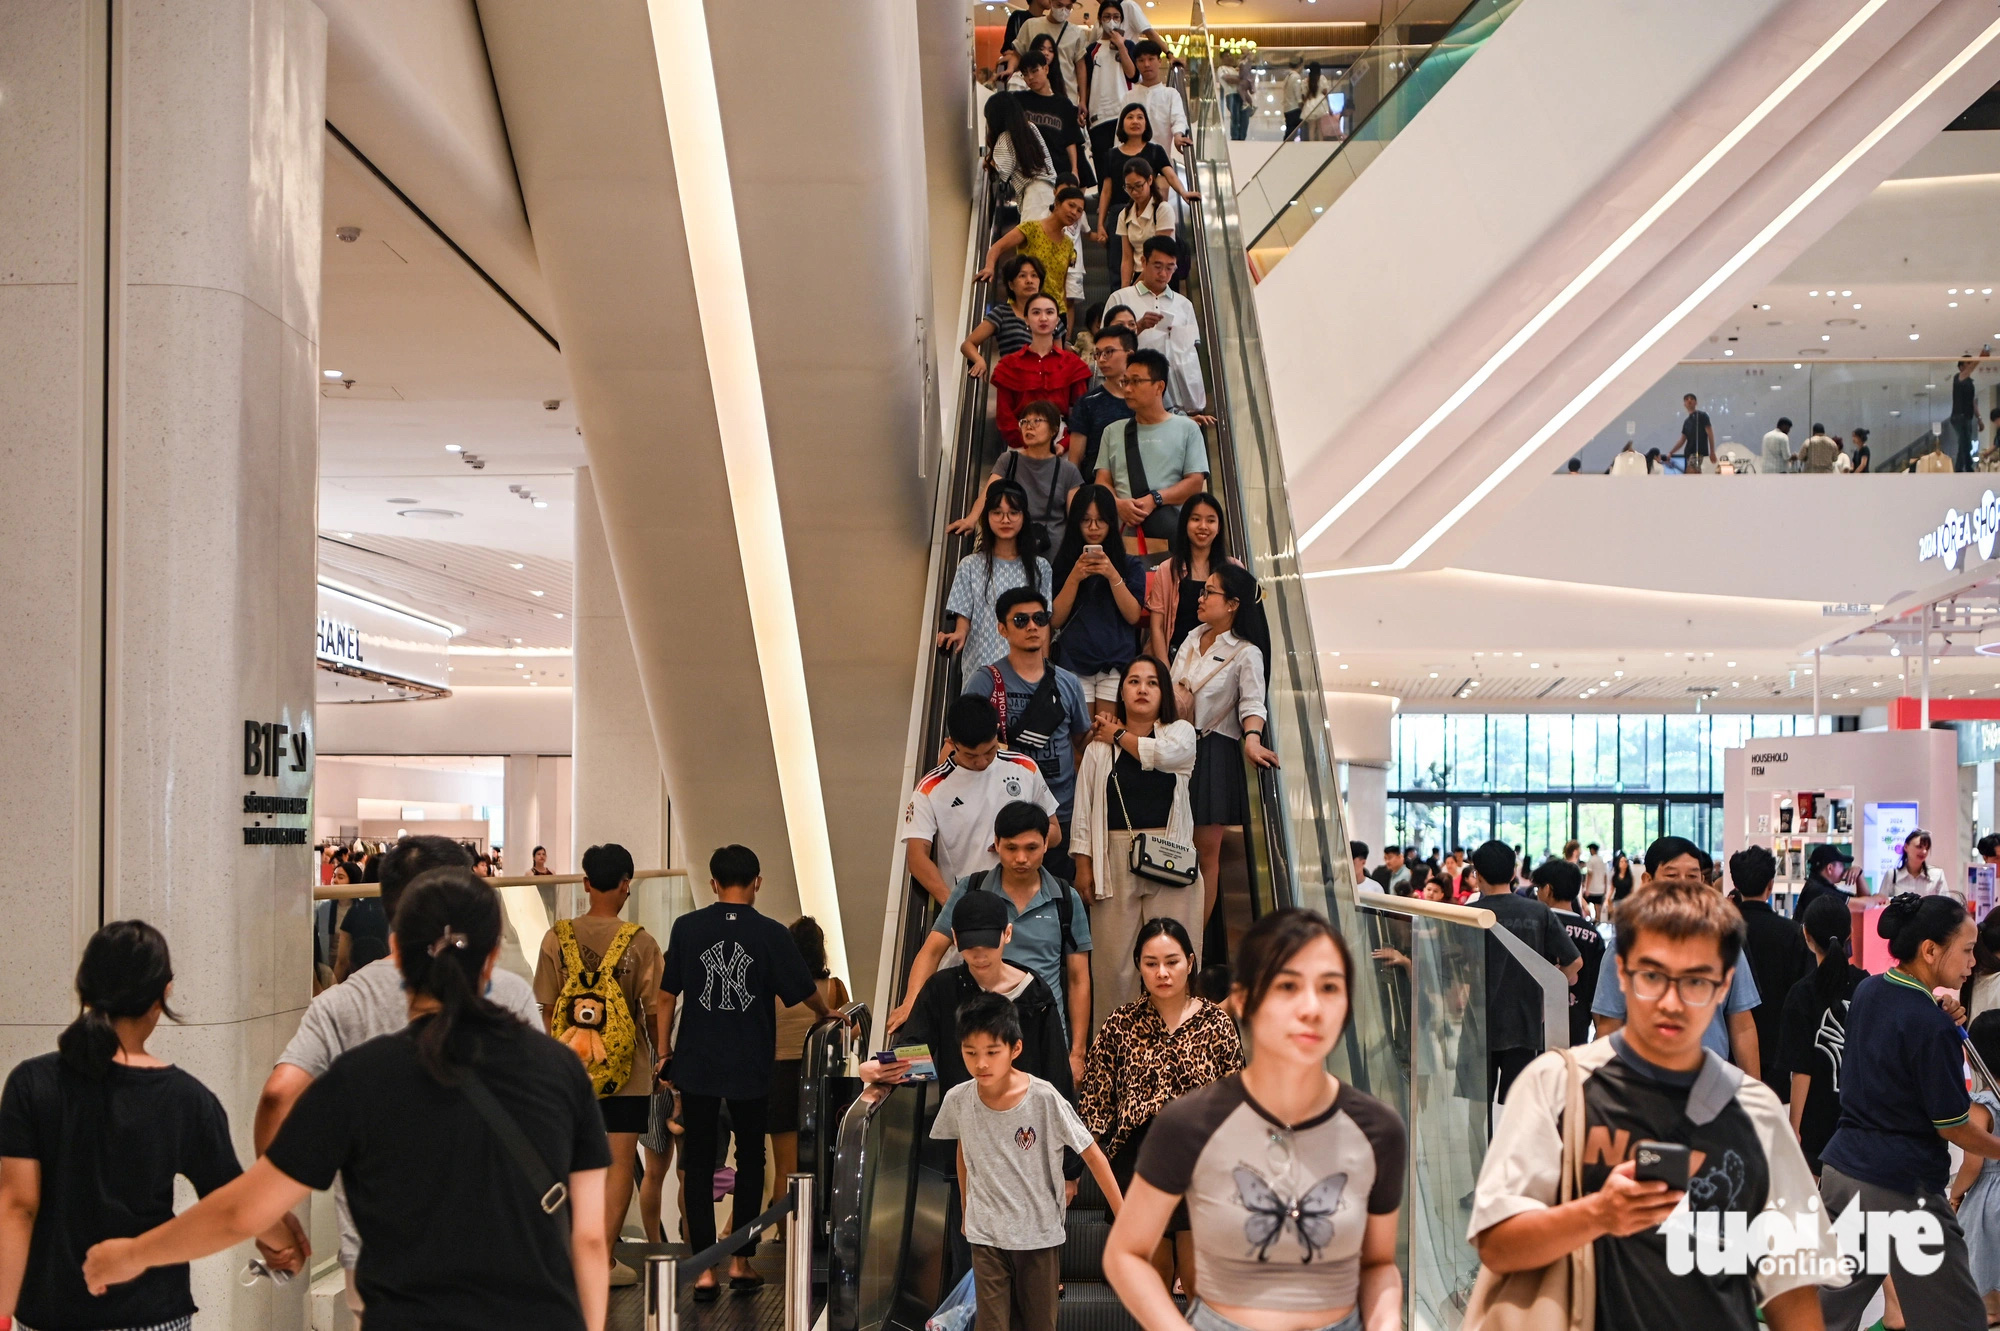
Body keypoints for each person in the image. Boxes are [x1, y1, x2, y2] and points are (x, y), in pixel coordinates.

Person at [87, 869, 614, 1331]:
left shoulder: (361, 1078)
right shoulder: (560, 1069)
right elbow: (588, 1238)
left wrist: (132, 1254)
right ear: (494, 956)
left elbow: (243, 1210)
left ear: (397, 953)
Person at [1469, 879, 1832, 1331]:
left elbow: (1792, 1294)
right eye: (1653, 976)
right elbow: (1497, 1244)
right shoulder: (1558, 1085)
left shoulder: (1755, 1110)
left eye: (1696, 981)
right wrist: (1598, 1213)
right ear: (1622, 974)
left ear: (1724, 987)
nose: (1671, 1002)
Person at [255, 834, 543, 1318]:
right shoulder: (506, 992)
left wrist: (272, 1214)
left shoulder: (341, 1002)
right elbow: (538, 1109)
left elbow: (279, 1096)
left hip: (377, 1255)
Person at [1104, 908, 1406, 1331]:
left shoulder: (1379, 1128)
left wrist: (1386, 1320)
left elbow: (1378, 1265)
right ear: (1245, 1001)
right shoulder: (1189, 1124)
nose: (1311, 1008)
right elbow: (1125, 1253)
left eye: (1330, 987)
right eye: (1287, 986)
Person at [0, 922, 306, 1331]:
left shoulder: (30, 1083)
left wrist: (2, 1309)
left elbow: (17, 1207)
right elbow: (233, 1201)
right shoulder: (186, 1099)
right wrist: (283, 1243)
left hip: (52, 1314)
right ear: (162, 995)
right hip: (153, 1315)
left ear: (84, 989)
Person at [1818, 893, 2000, 1330]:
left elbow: (1897, 1048)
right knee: (1956, 1318)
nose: (1973, 963)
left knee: (1826, 1313)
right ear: (1931, 950)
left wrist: (1939, 1013)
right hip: (1900, 1187)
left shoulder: (1870, 989)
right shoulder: (1930, 1023)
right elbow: (1954, 1125)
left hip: (1844, 1172)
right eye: (1968, 950)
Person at [658, 844, 831, 1300]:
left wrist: (662, 1053)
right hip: (752, 1063)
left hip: (696, 1062)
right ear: (757, 882)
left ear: (714, 882)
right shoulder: (772, 933)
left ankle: (703, 1271)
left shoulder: (687, 927)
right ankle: (740, 1263)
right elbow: (803, 992)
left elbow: (665, 997)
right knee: (751, 1159)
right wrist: (827, 1012)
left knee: (697, 1163)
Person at [933, 992, 1122, 1331]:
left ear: (1015, 1049)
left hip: (1038, 1234)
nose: (981, 1064)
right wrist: (965, 1208)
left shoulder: (1044, 1097)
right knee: (991, 1325)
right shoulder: (959, 1099)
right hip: (986, 1233)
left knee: (1038, 1323)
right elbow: (964, 1152)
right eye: (970, 1053)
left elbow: (1092, 1154)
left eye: (992, 1052)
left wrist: (1123, 1217)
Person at [1078, 918, 1242, 1299]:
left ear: (1190, 961)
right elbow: (1096, 1100)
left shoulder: (1216, 1022)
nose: (1162, 972)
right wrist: (1077, 1167)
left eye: (1172, 961)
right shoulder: (1120, 1023)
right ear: (1138, 965)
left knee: (1203, 1280)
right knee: (1153, 1282)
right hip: (1140, 1158)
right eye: (1151, 963)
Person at [533, 841, 664, 1289]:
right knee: (620, 1163)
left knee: (571, 1162)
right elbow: (652, 1010)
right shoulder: (640, 943)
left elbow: (548, 1009)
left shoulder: (556, 937)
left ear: (586, 883)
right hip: (628, 1074)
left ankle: (569, 1255)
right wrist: (660, 1056)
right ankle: (602, 1261)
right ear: (626, 884)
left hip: (569, 1074)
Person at [893, 801, 1094, 1083]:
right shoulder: (971, 890)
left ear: (1047, 844)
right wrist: (911, 1003)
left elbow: (1078, 979)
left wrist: (1077, 1053)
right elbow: (931, 951)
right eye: (1011, 848)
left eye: (1031, 848)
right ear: (996, 844)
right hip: (979, 1036)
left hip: (1041, 1034)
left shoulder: (1066, 898)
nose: (1021, 858)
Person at [1071, 656, 1202, 1021]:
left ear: (1163, 693)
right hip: (1112, 857)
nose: (1142, 689)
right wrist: (1083, 866)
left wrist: (1115, 733)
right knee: (1114, 969)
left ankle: (1178, 1051)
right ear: (1121, 692)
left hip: (1172, 853)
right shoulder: (1098, 750)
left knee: (1174, 963)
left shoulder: (1180, 733)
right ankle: (1115, 1056)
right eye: (1133, 681)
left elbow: (1164, 755)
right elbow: (1083, 811)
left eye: (1152, 682)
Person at [869, 889, 1075, 1103]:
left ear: (1007, 933)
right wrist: (877, 1068)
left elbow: (1056, 1072)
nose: (979, 956)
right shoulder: (942, 988)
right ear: (955, 938)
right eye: (970, 945)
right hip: (964, 1122)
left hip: (1025, 1125)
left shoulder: (1035, 992)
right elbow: (916, 1053)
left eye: (988, 944)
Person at [1593, 837, 1762, 1076]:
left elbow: (1742, 1025)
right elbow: (1610, 1025)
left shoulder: (1723, 940)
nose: (1683, 886)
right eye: (1671, 876)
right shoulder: (1626, 945)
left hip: (1709, 1085)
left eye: (1692, 877)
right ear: (1648, 881)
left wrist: (1752, 1093)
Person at [962, 585, 1094, 878]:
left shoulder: (1069, 683)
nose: (1032, 626)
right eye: (1021, 620)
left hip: (1061, 815)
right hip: (1005, 817)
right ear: (1002, 628)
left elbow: (1080, 743)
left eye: (1040, 618)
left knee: (1057, 908)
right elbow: (962, 742)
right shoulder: (985, 682)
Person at [1173, 563, 1276, 929]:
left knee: (1205, 856)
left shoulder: (1247, 652)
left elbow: (1252, 703)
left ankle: (1194, 943)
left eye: (1209, 592)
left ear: (1232, 604)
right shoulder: (1191, 637)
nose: (1200, 598)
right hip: (1176, 747)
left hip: (1214, 752)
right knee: (1174, 844)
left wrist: (1252, 739)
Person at [906, 694, 1059, 906]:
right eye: (970, 755)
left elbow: (1055, 830)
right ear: (952, 743)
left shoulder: (1024, 767)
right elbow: (916, 858)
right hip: (970, 905)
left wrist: (1016, 844)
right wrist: (951, 905)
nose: (982, 761)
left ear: (996, 731)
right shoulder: (930, 788)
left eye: (990, 751)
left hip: (1027, 903)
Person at [1466, 842, 1583, 1106]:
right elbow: (1575, 962)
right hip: (1525, 1022)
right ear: (1513, 872)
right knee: (1517, 1108)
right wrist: (1549, 988)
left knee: (1475, 1109)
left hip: (1477, 1023)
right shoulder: (1537, 912)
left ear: (1477, 874)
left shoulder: (1468, 914)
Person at [1780, 894, 1869, 1176]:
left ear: (1806, 936)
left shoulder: (1801, 994)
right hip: (1860, 1118)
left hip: (1817, 1122)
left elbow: (1801, 1068)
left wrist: (1794, 1128)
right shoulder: (1866, 985)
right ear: (1849, 933)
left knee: (1816, 1212)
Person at [767, 916, 849, 1208]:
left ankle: (786, 1239)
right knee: (821, 1162)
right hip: (819, 1078)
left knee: (785, 1168)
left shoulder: (773, 988)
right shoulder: (834, 988)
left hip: (780, 1077)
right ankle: (816, 1232)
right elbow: (846, 1033)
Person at [1095, 348, 1208, 544]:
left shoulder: (1187, 428)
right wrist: (1118, 504)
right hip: (1124, 535)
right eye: (1126, 381)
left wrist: (1155, 499)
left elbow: (1195, 483)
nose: (1128, 389)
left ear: (1159, 386)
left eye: (1136, 381)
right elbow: (1102, 481)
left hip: (1172, 532)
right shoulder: (1112, 431)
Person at [940, 478, 1052, 672]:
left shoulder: (1040, 567)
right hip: (980, 669)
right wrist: (958, 635)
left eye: (1013, 513)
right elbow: (963, 618)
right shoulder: (970, 565)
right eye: (997, 513)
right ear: (987, 517)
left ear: (1024, 517)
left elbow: (1043, 624)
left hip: (1025, 674)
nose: (1005, 520)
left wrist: (1045, 670)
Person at [1050, 486, 1146, 713]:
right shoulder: (1063, 563)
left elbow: (1133, 615)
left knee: (1106, 737)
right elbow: (1054, 619)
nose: (1093, 527)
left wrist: (1112, 574)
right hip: (1074, 661)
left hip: (1115, 663)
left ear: (1111, 522)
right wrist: (1074, 577)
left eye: (1100, 520)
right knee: (1081, 738)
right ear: (1076, 522)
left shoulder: (1129, 565)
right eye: (1086, 520)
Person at [1728, 846, 1811, 1103]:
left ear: (1736, 883)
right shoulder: (1791, 932)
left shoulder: (1721, 932)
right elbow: (1802, 991)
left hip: (1730, 1045)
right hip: (1778, 1046)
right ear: (1771, 885)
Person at [954, 399, 1084, 542]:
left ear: (1054, 429)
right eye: (1025, 422)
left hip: (1052, 549)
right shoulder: (1009, 460)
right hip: (1013, 543)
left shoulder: (1068, 470)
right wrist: (971, 519)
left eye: (1037, 421)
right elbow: (987, 494)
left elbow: (1075, 517)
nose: (1029, 427)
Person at [1108, 241, 1205, 414]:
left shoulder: (1185, 305)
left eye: (1170, 268)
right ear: (1144, 262)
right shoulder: (1121, 298)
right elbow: (1107, 345)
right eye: (1157, 266)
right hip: (1131, 392)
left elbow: (1192, 353)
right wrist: (1138, 327)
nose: (1163, 274)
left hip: (1175, 398)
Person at [980, 187, 1090, 331]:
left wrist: (1063, 318)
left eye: (1079, 210)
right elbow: (997, 247)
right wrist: (989, 267)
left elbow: (1061, 284)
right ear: (1057, 203)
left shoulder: (1068, 244)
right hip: (1024, 308)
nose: (1074, 213)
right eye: (1071, 205)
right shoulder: (1031, 228)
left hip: (1054, 313)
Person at [1147, 493, 1238, 664]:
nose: (1203, 526)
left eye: (1211, 521)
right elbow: (1157, 627)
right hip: (1176, 659)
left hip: (1221, 663)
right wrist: (1166, 672)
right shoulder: (1167, 569)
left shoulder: (1234, 569)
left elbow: (1243, 618)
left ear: (1219, 527)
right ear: (1185, 524)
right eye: (1196, 519)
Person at [1950, 1012, 2000, 1317]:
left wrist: (1955, 1194)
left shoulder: (1983, 1103)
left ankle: (1991, 1308)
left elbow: (1973, 1163)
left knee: (1984, 1251)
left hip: (1990, 1196)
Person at [1533, 857, 1605, 1049]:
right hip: (1577, 1023)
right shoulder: (1593, 934)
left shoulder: (1536, 926)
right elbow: (1598, 987)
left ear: (1547, 889)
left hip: (1538, 1021)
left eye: (1538, 888)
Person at [962, 255, 1050, 378]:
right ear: (1011, 285)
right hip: (1012, 384)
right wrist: (979, 360)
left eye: (1034, 275)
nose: (1029, 280)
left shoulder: (1050, 314)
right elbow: (968, 344)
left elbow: (1058, 357)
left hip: (1044, 386)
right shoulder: (1002, 313)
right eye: (1022, 276)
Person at [1067, 324, 1137, 476]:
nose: (1102, 359)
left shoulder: (1146, 398)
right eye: (1097, 354)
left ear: (1130, 354)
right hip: (1098, 487)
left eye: (1109, 352)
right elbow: (1075, 460)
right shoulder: (1088, 403)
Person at [983, 90, 1060, 223]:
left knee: (1033, 240)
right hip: (1050, 191)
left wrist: (989, 162)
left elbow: (1003, 171)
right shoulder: (1031, 128)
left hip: (1034, 197)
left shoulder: (1005, 138)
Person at [1011, 49, 1086, 181]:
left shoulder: (1063, 104)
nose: (1030, 77)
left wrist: (1074, 170)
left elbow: (1070, 140)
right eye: (1025, 74)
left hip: (1060, 169)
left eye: (1034, 71)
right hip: (1032, 172)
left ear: (1046, 69)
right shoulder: (1019, 101)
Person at [1083, 13, 1138, 184]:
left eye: (1116, 17)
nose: (1111, 21)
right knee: (1103, 167)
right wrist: (1083, 104)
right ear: (1099, 20)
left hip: (1123, 113)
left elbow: (1133, 75)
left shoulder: (1129, 45)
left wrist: (1121, 46)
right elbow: (1086, 82)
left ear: (1122, 20)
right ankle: (1105, 208)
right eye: (1107, 17)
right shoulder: (1091, 50)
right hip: (1098, 115)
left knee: (1128, 166)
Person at [1111, 158, 1174, 288]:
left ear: (1150, 180)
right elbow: (1127, 258)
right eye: (1129, 187)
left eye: (1138, 186)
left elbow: (1159, 253)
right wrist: (1125, 289)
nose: (1134, 192)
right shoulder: (1125, 214)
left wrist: (1136, 287)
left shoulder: (1162, 210)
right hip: (1138, 274)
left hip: (1160, 275)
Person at [1013, 3, 1090, 107]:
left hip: (1067, 96)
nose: (1063, 10)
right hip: (1033, 96)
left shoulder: (1077, 33)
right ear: (1051, 2)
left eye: (1068, 7)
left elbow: (1080, 67)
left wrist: (1082, 100)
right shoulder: (1030, 25)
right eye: (1059, 5)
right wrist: (1009, 69)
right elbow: (1017, 55)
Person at [1126, 40, 1189, 150]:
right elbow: (1120, 132)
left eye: (1151, 59)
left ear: (1159, 61)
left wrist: (1178, 136)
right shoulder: (1129, 97)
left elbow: (1178, 118)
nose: (1146, 64)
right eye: (1141, 60)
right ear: (1136, 64)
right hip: (1133, 163)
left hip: (1162, 162)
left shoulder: (1171, 95)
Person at [334, 873, 389, 982]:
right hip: (387, 979)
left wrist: (334, 988)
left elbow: (342, 961)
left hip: (358, 978)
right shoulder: (395, 911)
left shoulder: (355, 911)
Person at [1883, 827, 1953, 898]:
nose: (1924, 851)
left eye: (1927, 848)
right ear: (1906, 847)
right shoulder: (1892, 875)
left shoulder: (1937, 875)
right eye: (1919, 847)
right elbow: (1881, 904)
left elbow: (1946, 905)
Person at [1792, 842, 1854, 919]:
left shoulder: (1818, 886)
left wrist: (1859, 875)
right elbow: (1863, 906)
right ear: (1830, 868)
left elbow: (1861, 903)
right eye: (1841, 865)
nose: (1844, 869)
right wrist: (1874, 898)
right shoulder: (1819, 891)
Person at [1954, 352, 1990, 472]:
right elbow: (1970, 369)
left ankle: (1959, 469)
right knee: (1965, 443)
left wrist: (1979, 419)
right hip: (1959, 416)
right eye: (1967, 363)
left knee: (1964, 443)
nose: (1970, 365)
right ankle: (1968, 468)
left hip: (1967, 417)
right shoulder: (1958, 378)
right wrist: (1980, 357)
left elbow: (1973, 401)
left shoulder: (1970, 382)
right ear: (1961, 367)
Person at [1673, 392, 1715, 471]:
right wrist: (1671, 453)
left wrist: (1712, 452)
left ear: (1696, 403)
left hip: (1699, 454)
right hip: (1688, 455)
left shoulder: (1702, 416)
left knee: (1692, 476)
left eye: (1692, 399)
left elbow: (1710, 434)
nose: (1689, 401)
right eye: (1686, 399)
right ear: (1684, 404)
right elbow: (1682, 440)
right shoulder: (1687, 421)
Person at [1279, 58, 1305, 140]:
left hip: (1287, 108)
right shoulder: (1296, 77)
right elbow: (1297, 93)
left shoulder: (1288, 77)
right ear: (1299, 65)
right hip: (1294, 108)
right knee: (1293, 132)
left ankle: (1286, 146)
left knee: (1289, 130)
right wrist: (1301, 104)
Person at [1582, 841, 1609, 919]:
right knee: (1598, 906)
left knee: (1588, 903)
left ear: (1592, 850)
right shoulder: (1602, 860)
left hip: (1592, 888)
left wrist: (1586, 888)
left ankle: (1593, 920)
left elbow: (1590, 874)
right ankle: (1598, 920)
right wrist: (1605, 887)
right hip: (1601, 888)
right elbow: (1605, 875)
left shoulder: (1591, 860)